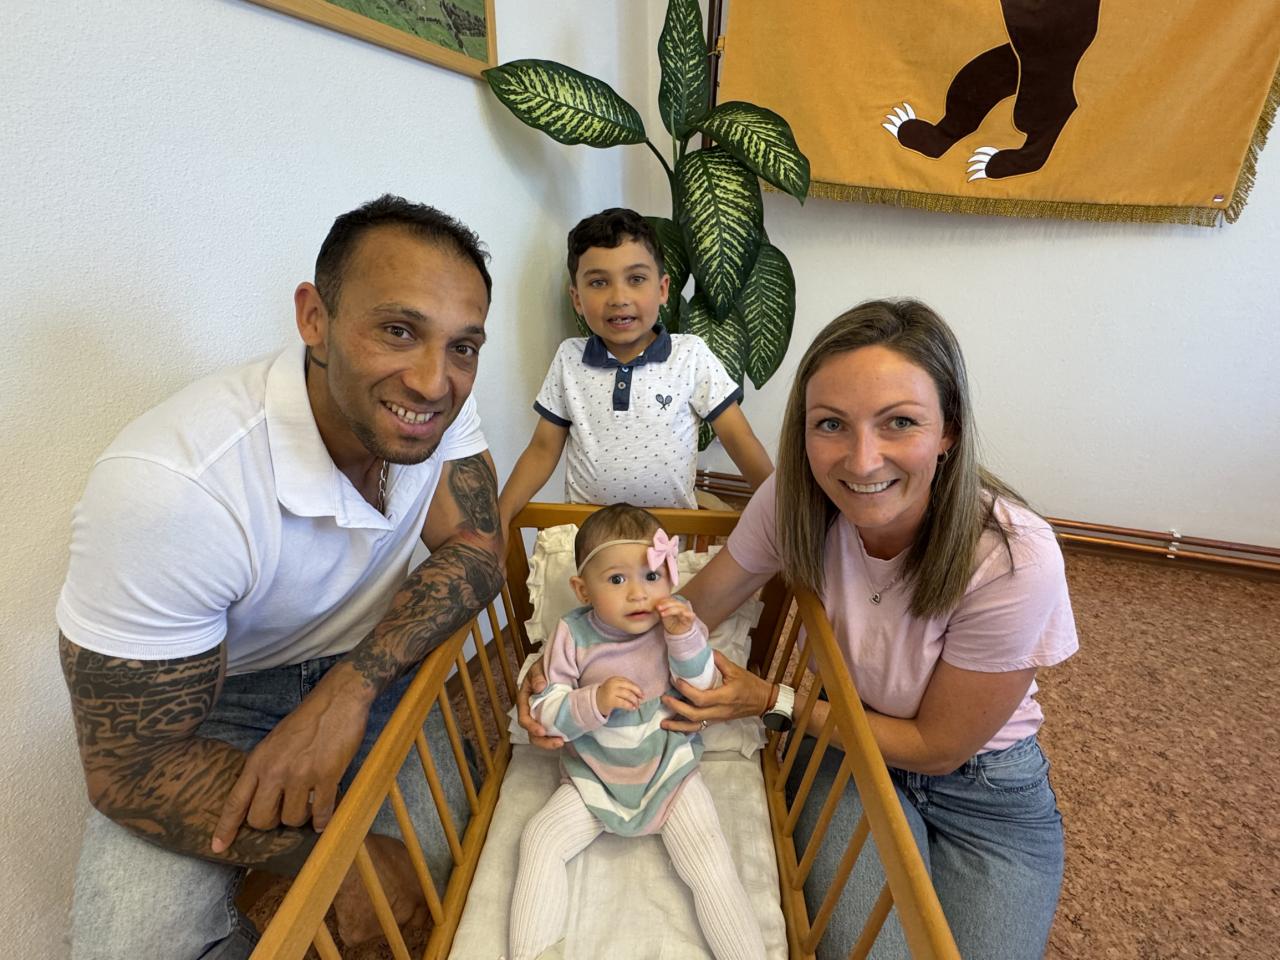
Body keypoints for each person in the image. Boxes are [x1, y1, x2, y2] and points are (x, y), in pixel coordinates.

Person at [520, 299, 1079, 959]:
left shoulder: (1013, 557)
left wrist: (770, 699)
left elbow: (937, 746)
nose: (862, 461)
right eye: (831, 424)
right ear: (803, 429)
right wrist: (555, 669)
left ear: (948, 431)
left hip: (983, 783)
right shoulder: (794, 499)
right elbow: (694, 608)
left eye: (900, 421)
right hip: (845, 746)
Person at [57, 194, 506, 960]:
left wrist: (350, 689)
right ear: (314, 318)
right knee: (130, 945)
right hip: (207, 712)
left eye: (463, 346)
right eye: (398, 331)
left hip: (380, 671)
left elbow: (476, 548)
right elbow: (129, 770)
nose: (435, 380)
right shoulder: (172, 488)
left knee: (453, 887)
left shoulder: (431, 405)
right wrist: (349, 854)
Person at [508, 504, 765, 960]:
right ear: (582, 589)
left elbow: (704, 687)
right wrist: (593, 700)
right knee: (539, 839)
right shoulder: (572, 634)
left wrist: (686, 639)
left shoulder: (677, 622)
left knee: (709, 860)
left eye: (651, 576)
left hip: (668, 771)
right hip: (594, 777)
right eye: (616, 579)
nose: (638, 594)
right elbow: (544, 711)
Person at [497, 207, 773, 528]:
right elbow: (542, 450)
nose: (619, 297)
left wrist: (781, 507)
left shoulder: (690, 355)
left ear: (663, 289)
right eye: (599, 282)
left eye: (636, 279)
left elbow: (739, 438)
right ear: (577, 299)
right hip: (586, 538)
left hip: (668, 540)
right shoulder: (569, 359)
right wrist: (501, 514)